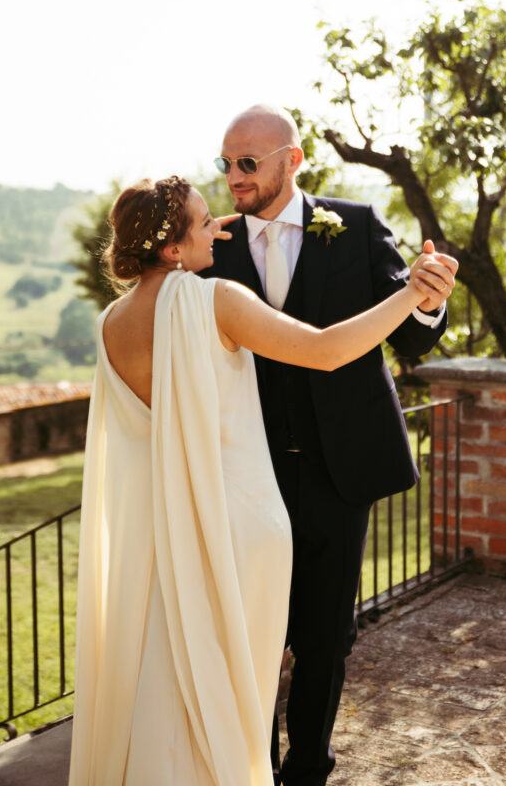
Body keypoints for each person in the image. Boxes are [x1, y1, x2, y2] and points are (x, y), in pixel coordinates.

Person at [67, 174, 456, 786]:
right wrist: (410, 294)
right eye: (204, 222)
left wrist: (185, 235)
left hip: (164, 525)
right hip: (241, 522)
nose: (220, 229)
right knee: (243, 673)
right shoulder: (215, 298)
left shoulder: (111, 322)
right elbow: (327, 350)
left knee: (177, 672)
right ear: (172, 247)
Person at [206, 105, 457, 786]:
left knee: (326, 637)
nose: (233, 176)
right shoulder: (210, 245)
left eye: (247, 163)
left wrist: (428, 300)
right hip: (247, 473)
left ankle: (308, 767)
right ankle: (248, 766)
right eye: (225, 163)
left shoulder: (355, 225)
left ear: (292, 160)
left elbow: (410, 333)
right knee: (253, 631)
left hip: (339, 470)